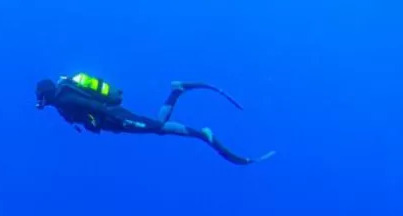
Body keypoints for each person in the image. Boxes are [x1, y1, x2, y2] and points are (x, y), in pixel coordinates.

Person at [34, 73, 275, 166]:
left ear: (45, 95)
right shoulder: (63, 95)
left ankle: (203, 134)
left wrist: (115, 118)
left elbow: (90, 106)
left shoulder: (64, 99)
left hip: (114, 118)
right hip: (112, 121)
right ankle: (177, 90)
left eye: (40, 98)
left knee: (157, 127)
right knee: (157, 127)